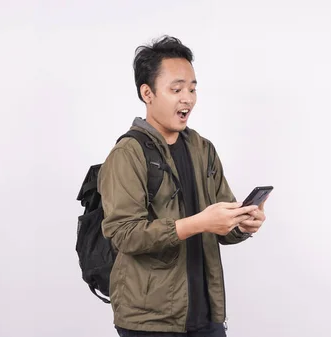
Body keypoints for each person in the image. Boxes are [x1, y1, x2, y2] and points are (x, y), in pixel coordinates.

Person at [97, 35, 268, 337]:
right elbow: (123, 235)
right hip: (149, 321)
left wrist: (242, 224)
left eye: (192, 88)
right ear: (147, 93)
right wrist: (198, 223)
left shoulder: (203, 149)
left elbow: (222, 226)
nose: (187, 98)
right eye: (176, 89)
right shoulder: (127, 154)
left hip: (206, 314)